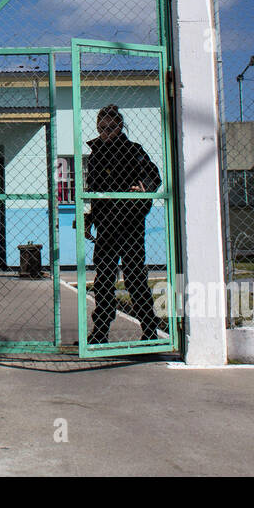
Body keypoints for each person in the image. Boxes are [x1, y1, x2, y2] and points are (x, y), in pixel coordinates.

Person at [84, 104, 163, 344]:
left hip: (130, 225)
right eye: (101, 128)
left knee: (135, 277)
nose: (105, 132)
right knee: (104, 279)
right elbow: (94, 191)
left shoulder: (132, 151)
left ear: (120, 127)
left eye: (110, 127)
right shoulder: (96, 154)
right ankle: (100, 333)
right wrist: (89, 219)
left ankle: (149, 332)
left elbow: (153, 176)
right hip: (106, 225)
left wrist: (144, 188)